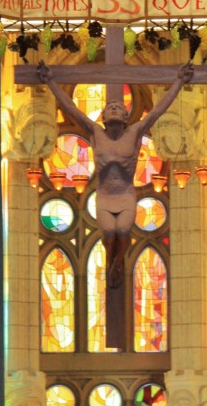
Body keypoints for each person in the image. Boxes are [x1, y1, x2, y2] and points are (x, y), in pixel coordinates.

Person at [36, 60, 194, 287]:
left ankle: (117, 264)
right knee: (109, 232)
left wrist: (179, 81)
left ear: (126, 116)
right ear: (102, 117)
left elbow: (159, 110)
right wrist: (51, 81)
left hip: (126, 194)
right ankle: (114, 264)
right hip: (105, 196)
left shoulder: (136, 131)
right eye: (109, 106)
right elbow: (70, 108)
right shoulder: (95, 132)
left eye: (117, 107)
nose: (112, 107)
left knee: (122, 229)